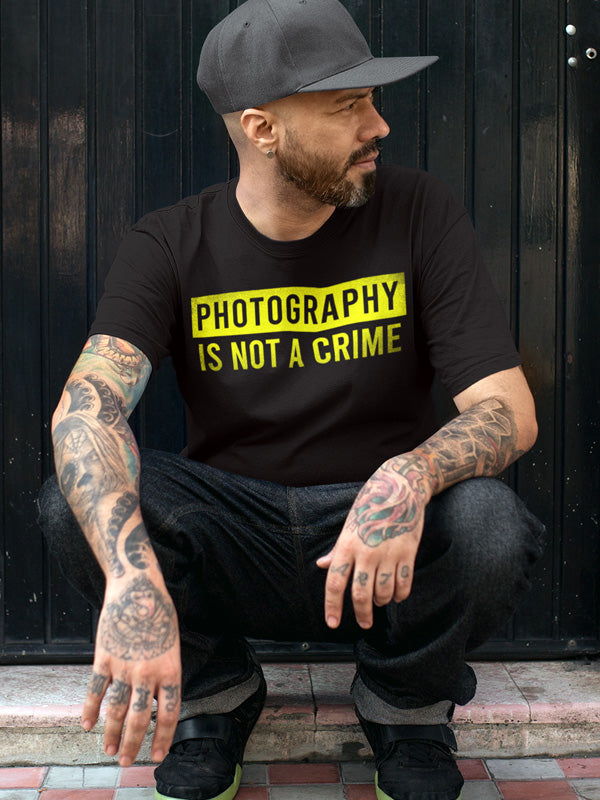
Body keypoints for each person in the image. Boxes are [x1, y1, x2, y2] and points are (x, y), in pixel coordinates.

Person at [38, 1, 546, 799]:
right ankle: (215, 700)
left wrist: (408, 476)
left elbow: (510, 410)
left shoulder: (418, 212)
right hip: (235, 533)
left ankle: (406, 708)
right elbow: (84, 411)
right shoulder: (170, 242)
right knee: (78, 501)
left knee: (489, 524)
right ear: (262, 128)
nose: (377, 126)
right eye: (348, 107)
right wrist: (133, 582)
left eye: (372, 103)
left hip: (380, 542)